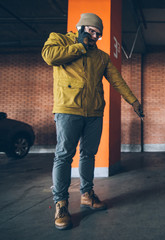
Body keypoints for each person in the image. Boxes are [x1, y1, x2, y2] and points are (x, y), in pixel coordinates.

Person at [42, 13, 144, 230]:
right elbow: (49, 57)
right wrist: (78, 46)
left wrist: (134, 101)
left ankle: (87, 194)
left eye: (98, 34)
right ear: (81, 28)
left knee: (88, 154)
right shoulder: (59, 40)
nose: (95, 36)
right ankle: (61, 204)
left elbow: (117, 80)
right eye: (92, 31)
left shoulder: (101, 56)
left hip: (94, 112)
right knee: (64, 155)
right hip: (68, 109)